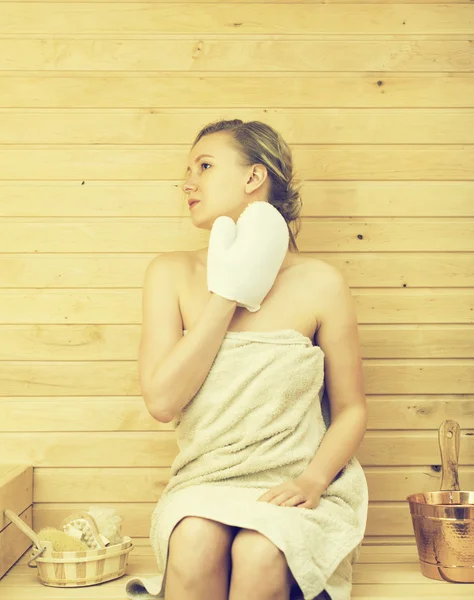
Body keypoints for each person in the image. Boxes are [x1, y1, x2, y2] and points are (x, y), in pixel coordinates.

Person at [129, 119, 369, 600]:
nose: (188, 182)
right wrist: (230, 293)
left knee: (260, 549)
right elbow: (162, 401)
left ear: (253, 177)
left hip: (295, 483)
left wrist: (314, 479)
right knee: (195, 539)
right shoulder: (172, 273)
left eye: (205, 165)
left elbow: (352, 409)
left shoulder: (321, 282)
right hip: (206, 480)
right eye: (188, 169)